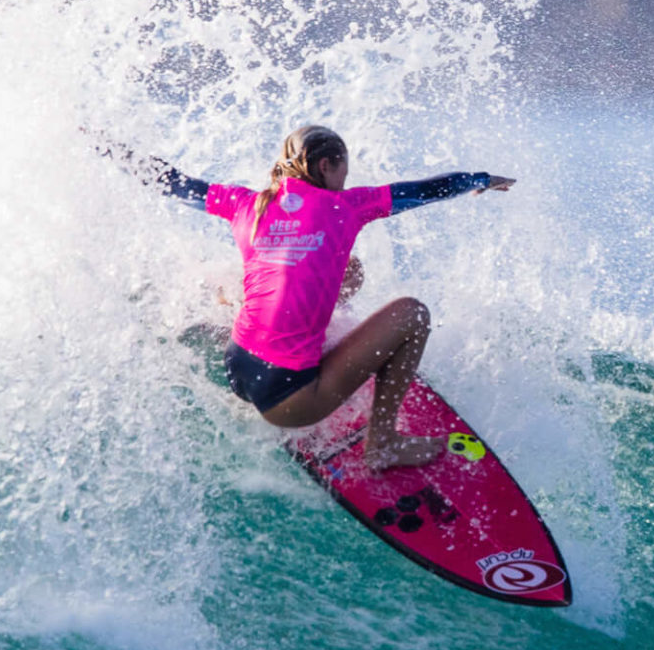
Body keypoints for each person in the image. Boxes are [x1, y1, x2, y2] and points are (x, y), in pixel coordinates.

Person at [105, 125, 514, 469]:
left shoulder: (245, 203)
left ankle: (245, 321)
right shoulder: (347, 206)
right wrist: (478, 179)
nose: (345, 181)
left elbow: (173, 182)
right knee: (414, 314)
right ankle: (383, 444)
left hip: (238, 368)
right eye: (343, 170)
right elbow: (424, 190)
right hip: (289, 397)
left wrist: (115, 150)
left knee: (349, 270)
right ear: (325, 166)